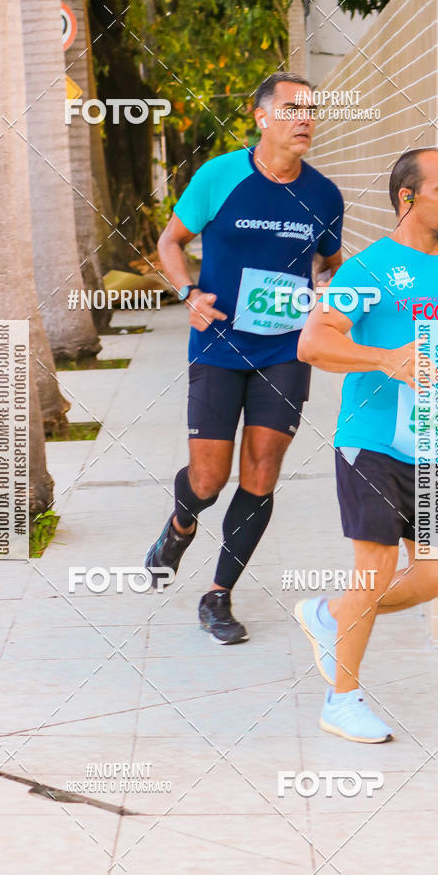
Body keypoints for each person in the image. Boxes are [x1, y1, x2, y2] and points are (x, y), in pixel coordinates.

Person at [296, 147, 438, 742]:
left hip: (436, 445)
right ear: (407, 198)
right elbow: (313, 343)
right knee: (375, 568)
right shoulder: (368, 270)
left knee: (437, 576)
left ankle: (328, 614)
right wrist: (386, 359)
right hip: (373, 442)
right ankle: (342, 700)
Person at [144, 72, 344, 643]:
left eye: (310, 109)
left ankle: (218, 595)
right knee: (208, 479)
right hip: (218, 344)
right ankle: (180, 526)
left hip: (285, 350)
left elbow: (329, 262)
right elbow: (169, 243)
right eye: (291, 109)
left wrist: (324, 297)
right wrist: (189, 293)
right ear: (261, 117)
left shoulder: (324, 194)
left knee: (260, 473)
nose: (304, 119)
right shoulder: (220, 175)